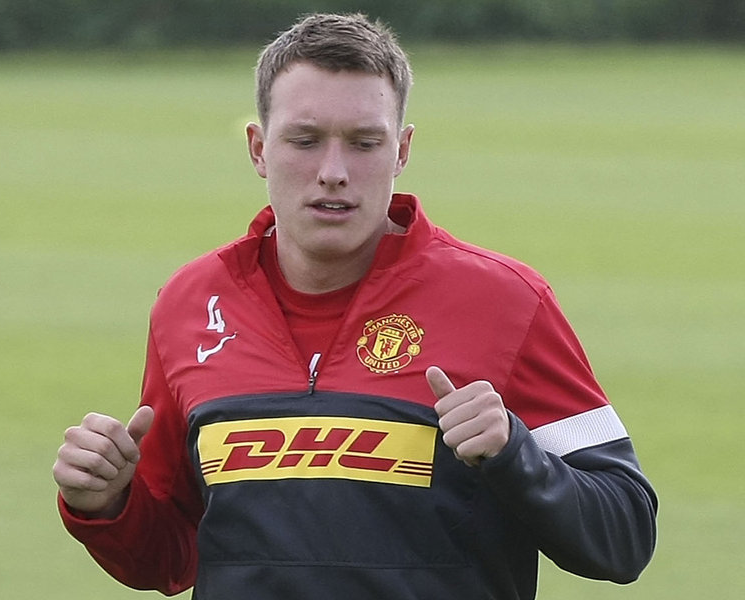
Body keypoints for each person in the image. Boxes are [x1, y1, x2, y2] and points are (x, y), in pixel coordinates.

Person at [53, 12, 657, 600]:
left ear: (402, 151)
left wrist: (514, 454)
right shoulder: (189, 303)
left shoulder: (506, 302)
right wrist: (106, 503)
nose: (334, 172)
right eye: (305, 141)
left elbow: (625, 535)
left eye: (365, 143)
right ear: (258, 148)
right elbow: (172, 555)